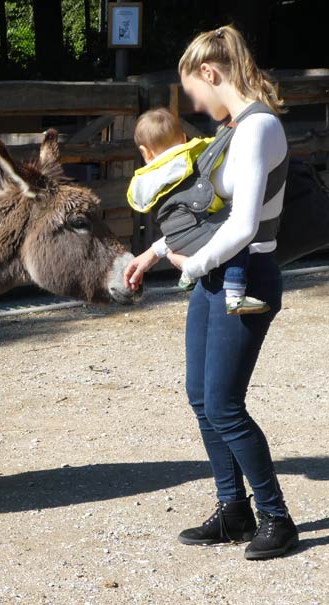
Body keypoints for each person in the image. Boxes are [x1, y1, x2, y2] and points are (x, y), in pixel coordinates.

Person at [124, 24, 299, 560]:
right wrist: (155, 252)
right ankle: (233, 510)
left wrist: (188, 265)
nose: (195, 104)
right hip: (213, 276)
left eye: (193, 90)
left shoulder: (258, 129)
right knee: (202, 397)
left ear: (210, 72)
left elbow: (244, 224)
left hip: (245, 276)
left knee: (225, 404)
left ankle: (276, 517)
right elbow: (202, 212)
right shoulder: (232, 129)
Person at [129, 107, 269, 314]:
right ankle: (234, 296)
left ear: (144, 151)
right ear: (184, 138)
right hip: (209, 226)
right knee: (238, 247)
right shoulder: (191, 155)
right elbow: (217, 153)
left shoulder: (144, 182)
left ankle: (187, 276)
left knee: (188, 228)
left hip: (176, 239)